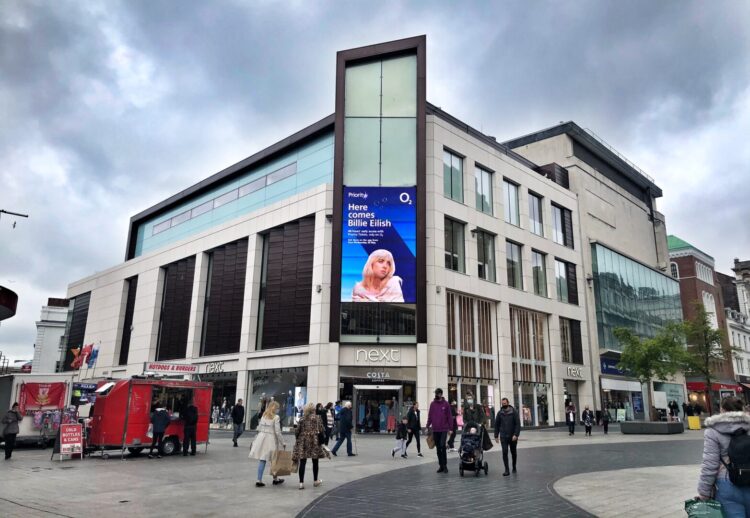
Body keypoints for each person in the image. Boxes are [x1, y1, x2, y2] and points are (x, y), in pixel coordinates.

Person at [697, 396, 750, 513]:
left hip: (727, 482)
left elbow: (710, 464)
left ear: (722, 410)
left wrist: (704, 492)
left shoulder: (713, 431)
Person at [248, 401, 286, 488]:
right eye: (277, 408)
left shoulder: (264, 415)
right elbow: (277, 431)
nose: (278, 410)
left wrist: (255, 440)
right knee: (273, 459)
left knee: (262, 459)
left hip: (262, 438)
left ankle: (259, 480)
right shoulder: (276, 417)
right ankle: (275, 479)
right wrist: (283, 442)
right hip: (271, 439)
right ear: (274, 408)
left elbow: (259, 428)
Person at [293, 403, 326, 490]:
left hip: (303, 441)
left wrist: (298, 438)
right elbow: (322, 429)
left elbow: (297, 431)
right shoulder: (318, 418)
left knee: (302, 462)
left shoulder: (302, 418)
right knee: (315, 461)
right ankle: (315, 481)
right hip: (314, 441)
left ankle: (301, 483)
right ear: (313, 410)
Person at [426, 388, 452, 474]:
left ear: (441, 394)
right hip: (435, 429)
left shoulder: (446, 404)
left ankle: (445, 465)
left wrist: (451, 428)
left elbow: (449, 417)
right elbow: (430, 416)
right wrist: (427, 426)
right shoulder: (432, 404)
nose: (436, 395)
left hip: (444, 429)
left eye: (437, 393)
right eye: (435, 393)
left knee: (442, 446)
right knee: (437, 448)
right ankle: (441, 465)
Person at [494, 397, 521, 476]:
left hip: (513, 436)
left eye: (505, 403)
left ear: (508, 403)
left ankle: (514, 467)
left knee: (513, 452)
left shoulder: (514, 412)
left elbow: (517, 424)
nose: (504, 405)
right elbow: (496, 425)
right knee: (504, 452)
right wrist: (496, 436)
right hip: (503, 436)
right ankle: (507, 470)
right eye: (502, 404)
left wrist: (516, 434)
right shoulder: (500, 413)